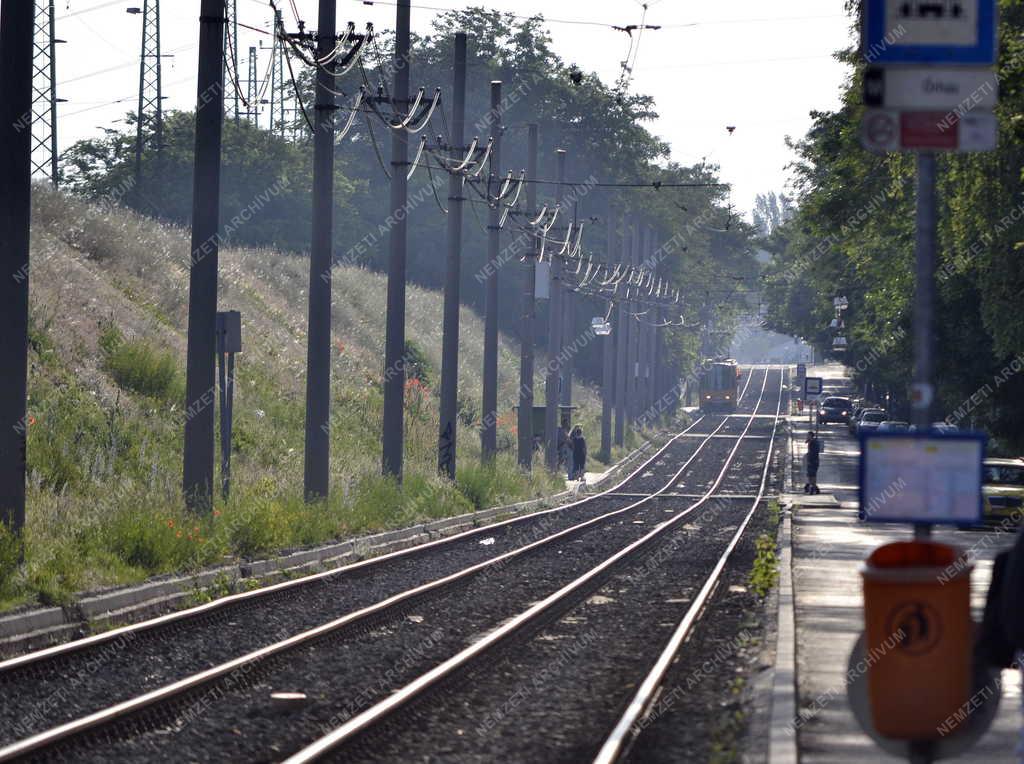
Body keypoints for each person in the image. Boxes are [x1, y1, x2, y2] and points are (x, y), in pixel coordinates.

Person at [805, 430, 822, 495]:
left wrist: (809, 458)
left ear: (810, 436)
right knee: (810, 476)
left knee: (812, 476)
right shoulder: (812, 442)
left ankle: (813, 488)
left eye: (807, 435)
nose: (806, 437)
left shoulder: (814, 442)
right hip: (812, 461)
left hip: (813, 461)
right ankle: (813, 488)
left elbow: (814, 453)